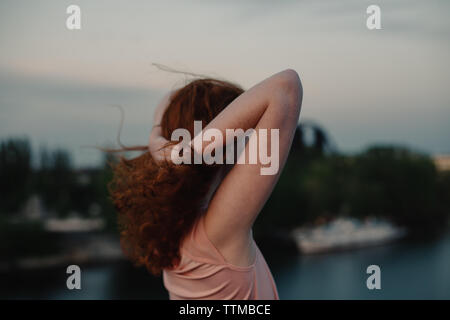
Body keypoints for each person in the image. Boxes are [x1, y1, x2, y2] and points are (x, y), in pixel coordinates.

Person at [107, 69, 303, 299]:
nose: (250, 144)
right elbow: (286, 87)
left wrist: (158, 140)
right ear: (219, 148)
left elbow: (171, 97)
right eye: (242, 134)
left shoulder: (178, 225)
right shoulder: (218, 233)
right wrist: (186, 153)